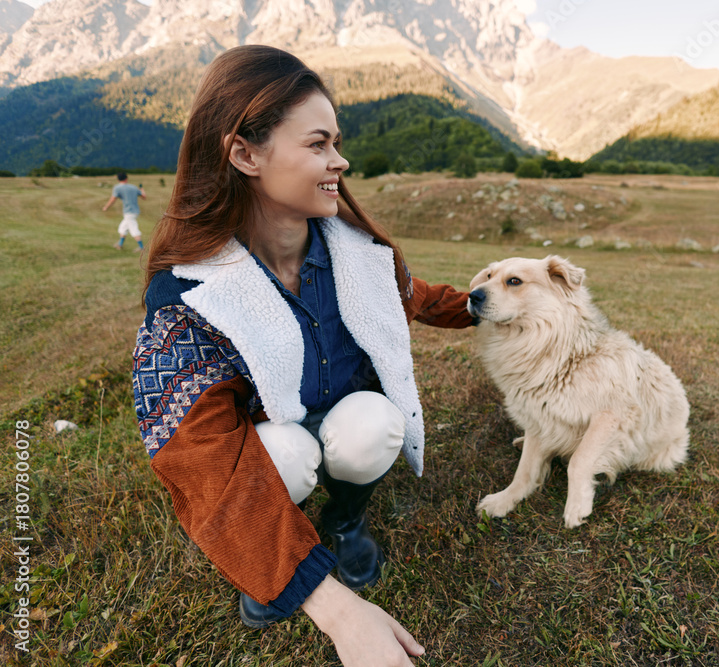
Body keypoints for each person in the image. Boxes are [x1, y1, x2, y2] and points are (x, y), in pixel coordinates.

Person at [132, 45, 476, 665]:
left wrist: (483, 306)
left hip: (344, 417)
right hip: (273, 436)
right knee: (284, 453)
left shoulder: (358, 254)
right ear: (245, 154)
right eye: (318, 145)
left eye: (336, 143)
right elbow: (201, 462)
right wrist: (340, 613)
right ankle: (276, 559)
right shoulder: (189, 295)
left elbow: (413, 296)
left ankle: (345, 523)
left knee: (373, 423)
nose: (339, 161)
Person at [102, 172, 146, 251]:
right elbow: (144, 197)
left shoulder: (118, 188)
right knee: (123, 228)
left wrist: (106, 207)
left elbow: (113, 199)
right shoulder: (134, 187)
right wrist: (142, 189)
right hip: (134, 212)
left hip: (129, 212)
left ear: (118, 179)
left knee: (133, 229)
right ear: (126, 178)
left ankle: (141, 247)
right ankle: (120, 244)